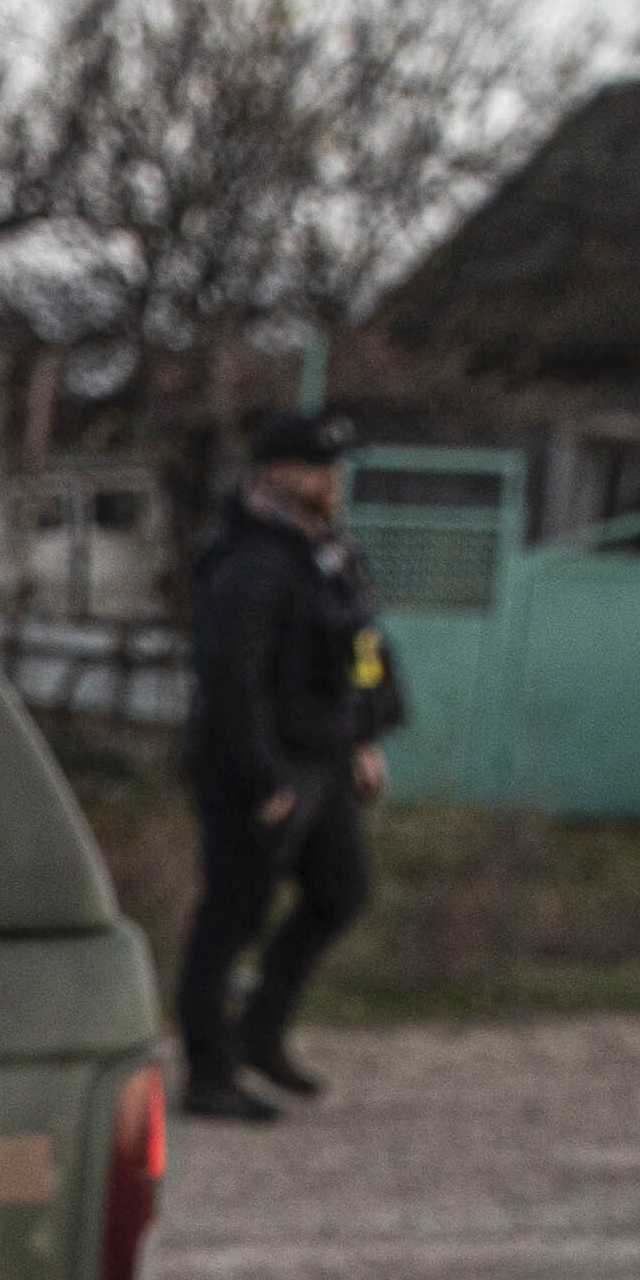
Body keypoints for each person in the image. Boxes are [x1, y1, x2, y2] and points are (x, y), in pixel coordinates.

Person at [173, 407, 404, 1124]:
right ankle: (210, 1074)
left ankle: (260, 1033)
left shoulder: (327, 555)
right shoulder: (248, 561)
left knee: (341, 890)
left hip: (323, 757)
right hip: (257, 766)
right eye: (316, 468)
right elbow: (231, 681)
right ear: (276, 474)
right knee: (232, 916)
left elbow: (361, 649)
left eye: (333, 468)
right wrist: (262, 779)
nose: (331, 480)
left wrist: (364, 736)